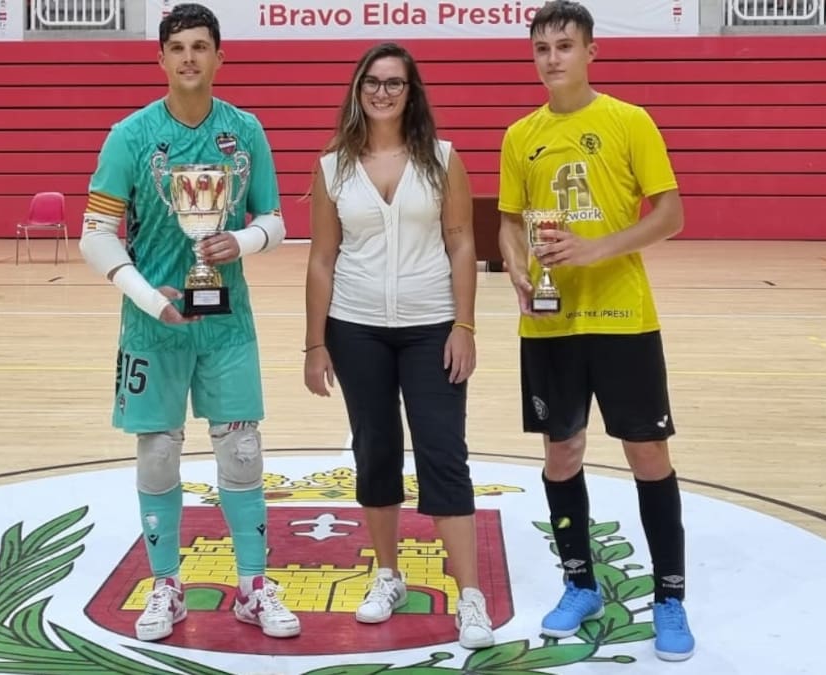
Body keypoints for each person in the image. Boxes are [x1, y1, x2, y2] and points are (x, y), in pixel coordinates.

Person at [78, 3, 297, 643]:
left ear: (220, 56)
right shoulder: (130, 135)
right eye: (178, 47)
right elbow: (96, 236)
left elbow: (276, 220)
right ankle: (166, 587)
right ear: (162, 58)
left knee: (243, 451)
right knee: (158, 454)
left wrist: (245, 241)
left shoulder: (245, 130)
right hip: (152, 324)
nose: (190, 58)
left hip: (227, 323)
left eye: (202, 46)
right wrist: (149, 297)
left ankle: (254, 587)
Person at [496, 0, 696, 662]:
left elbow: (670, 215)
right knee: (562, 454)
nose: (552, 58)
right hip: (550, 326)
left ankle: (670, 596)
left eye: (564, 45)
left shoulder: (629, 122)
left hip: (623, 319)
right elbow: (508, 221)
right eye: (542, 48)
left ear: (590, 52)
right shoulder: (519, 135)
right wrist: (520, 271)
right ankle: (579, 582)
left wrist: (596, 248)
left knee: (647, 455)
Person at [303, 42, 494, 650]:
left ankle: (470, 597)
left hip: (431, 326)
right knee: (376, 449)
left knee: (444, 452)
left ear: (411, 94)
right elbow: (321, 258)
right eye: (372, 83)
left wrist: (463, 326)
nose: (382, 92)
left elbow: (462, 243)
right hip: (354, 327)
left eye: (394, 84)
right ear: (357, 91)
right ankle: (387, 576)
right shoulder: (332, 166)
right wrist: (314, 343)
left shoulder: (442, 160)